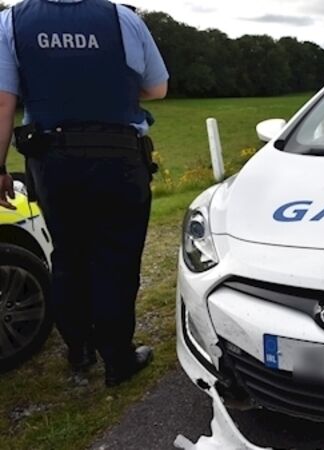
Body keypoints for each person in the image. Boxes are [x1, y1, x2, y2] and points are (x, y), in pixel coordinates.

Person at [0, 0, 169, 387]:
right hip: (119, 158)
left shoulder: (10, 23)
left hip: (52, 162)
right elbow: (157, 88)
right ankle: (118, 359)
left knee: (68, 256)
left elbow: (3, 101)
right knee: (117, 260)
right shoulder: (123, 18)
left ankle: (79, 350)